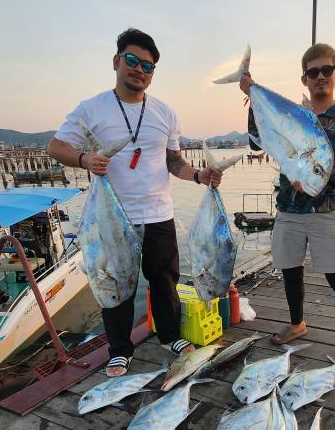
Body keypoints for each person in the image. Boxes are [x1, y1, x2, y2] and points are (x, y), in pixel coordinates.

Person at [49, 28, 222, 376]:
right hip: (113, 218)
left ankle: (169, 336)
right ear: (116, 61)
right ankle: (120, 349)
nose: (139, 69)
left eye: (148, 65)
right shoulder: (91, 109)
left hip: (159, 213)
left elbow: (173, 161)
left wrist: (198, 176)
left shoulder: (166, 114)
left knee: (164, 279)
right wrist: (85, 160)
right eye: (132, 60)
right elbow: (56, 147)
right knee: (116, 280)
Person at [240, 43, 335, 369]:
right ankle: (298, 322)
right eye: (313, 72)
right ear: (304, 78)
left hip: (325, 211)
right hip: (287, 208)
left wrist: (319, 175)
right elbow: (256, 141)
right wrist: (252, 98)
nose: (320, 77)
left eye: (326, 70)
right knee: (290, 269)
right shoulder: (293, 114)